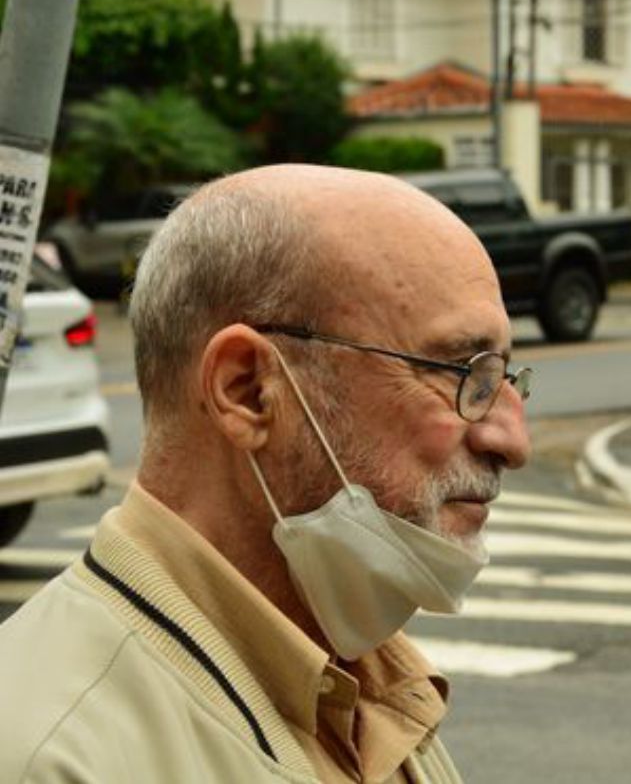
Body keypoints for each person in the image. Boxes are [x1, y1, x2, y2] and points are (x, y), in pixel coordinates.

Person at [0, 165, 532, 782]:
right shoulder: (51, 754)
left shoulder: (360, 680)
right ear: (248, 390)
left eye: (503, 376)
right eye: (459, 372)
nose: (512, 439)